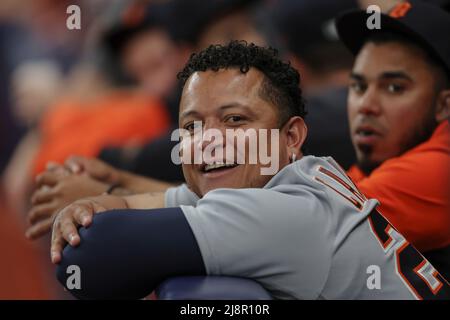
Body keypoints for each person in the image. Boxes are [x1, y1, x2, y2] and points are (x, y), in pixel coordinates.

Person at [51, 41, 449, 300]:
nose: (209, 140)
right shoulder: (273, 179)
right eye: (192, 126)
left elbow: (91, 259)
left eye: (236, 120)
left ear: (291, 137)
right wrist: (98, 202)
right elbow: (151, 203)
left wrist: (93, 220)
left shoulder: (285, 213)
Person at [336, 0, 450, 277]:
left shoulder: (438, 170)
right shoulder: (376, 166)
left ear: (444, 106)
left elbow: (296, 229)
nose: (366, 105)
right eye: (358, 86)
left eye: (394, 87)